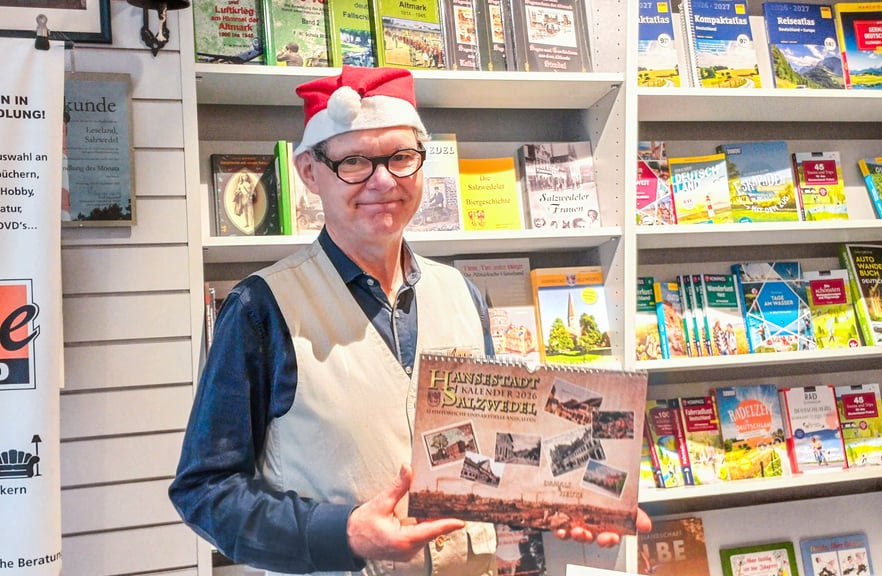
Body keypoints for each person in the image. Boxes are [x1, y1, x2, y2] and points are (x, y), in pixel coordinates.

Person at [168, 66, 649, 575]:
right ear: (310, 171)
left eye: (401, 157)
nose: (382, 180)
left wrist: (572, 494)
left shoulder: (461, 293)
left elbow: (484, 452)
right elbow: (204, 492)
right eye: (353, 161)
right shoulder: (259, 309)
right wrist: (343, 533)